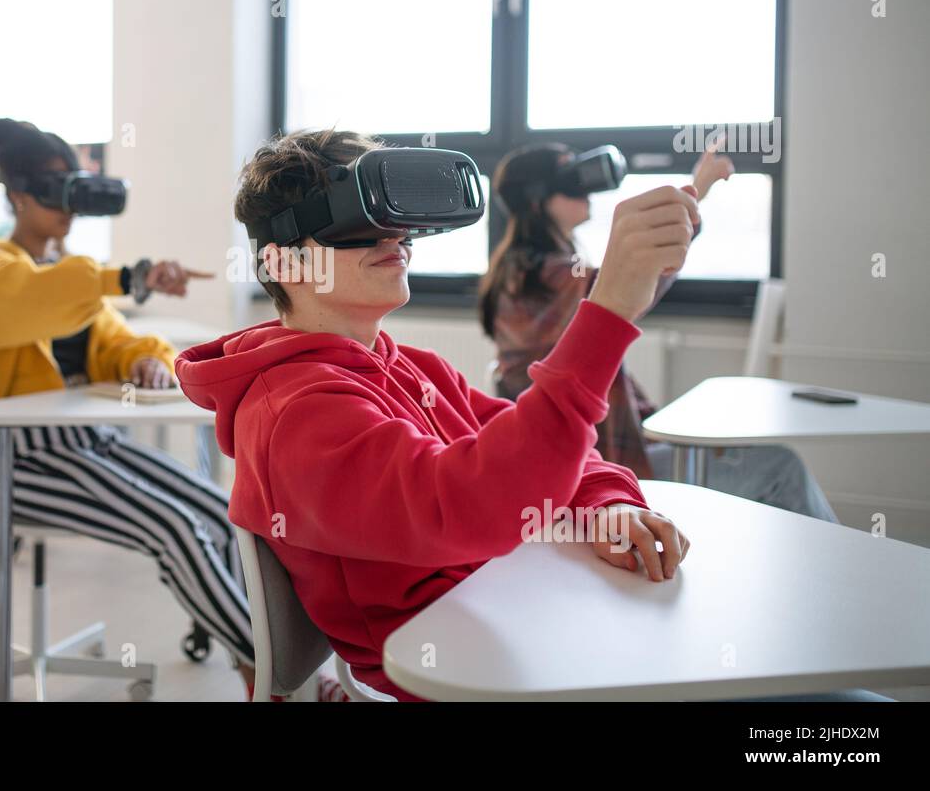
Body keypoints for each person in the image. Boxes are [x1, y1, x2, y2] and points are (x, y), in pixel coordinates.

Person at [176, 128, 695, 701]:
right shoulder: (297, 413)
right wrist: (608, 312)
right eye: (356, 222)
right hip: (454, 672)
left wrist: (607, 505)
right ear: (285, 260)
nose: (394, 237)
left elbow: (540, 451)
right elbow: (472, 504)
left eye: (395, 218)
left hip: (508, 614)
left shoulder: (414, 366)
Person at [0, 118, 257, 681]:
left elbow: (115, 336)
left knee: (219, 512)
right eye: (50, 190)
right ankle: (275, 669)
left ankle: (246, 655)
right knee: (176, 528)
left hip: (87, 444)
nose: (66, 207)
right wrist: (125, 276)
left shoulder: (70, 280)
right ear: (15, 195)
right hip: (23, 462)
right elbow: (30, 298)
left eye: (71, 190)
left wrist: (144, 360)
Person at [479, 140, 836, 522]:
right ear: (537, 199)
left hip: (599, 454)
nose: (587, 192)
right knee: (780, 466)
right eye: (571, 180)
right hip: (599, 469)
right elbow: (632, 285)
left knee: (750, 456)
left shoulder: (527, 270)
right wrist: (696, 192)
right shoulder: (540, 278)